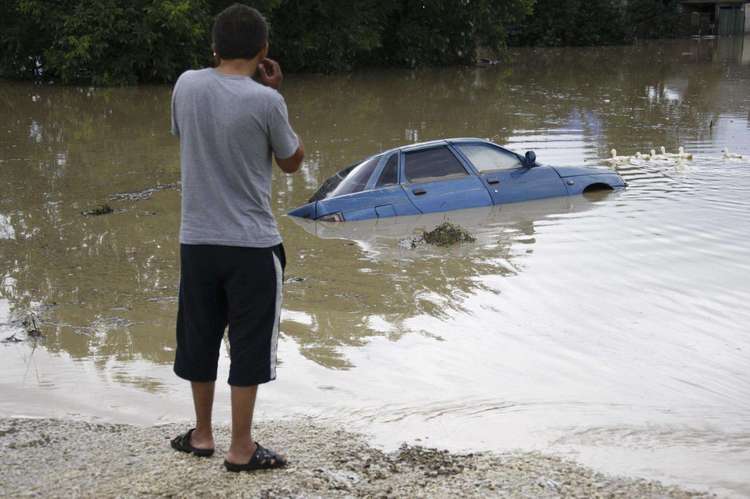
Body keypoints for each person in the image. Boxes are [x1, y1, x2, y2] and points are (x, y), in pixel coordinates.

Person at [168, 3, 304, 472]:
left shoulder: (186, 85)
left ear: (214, 47)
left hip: (197, 241)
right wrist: (269, 92)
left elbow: (185, 133)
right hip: (251, 246)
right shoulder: (267, 101)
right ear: (263, 51)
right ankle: (241, 447)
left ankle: (202, 435)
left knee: (200, 336)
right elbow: (291, 161)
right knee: (248, 344)